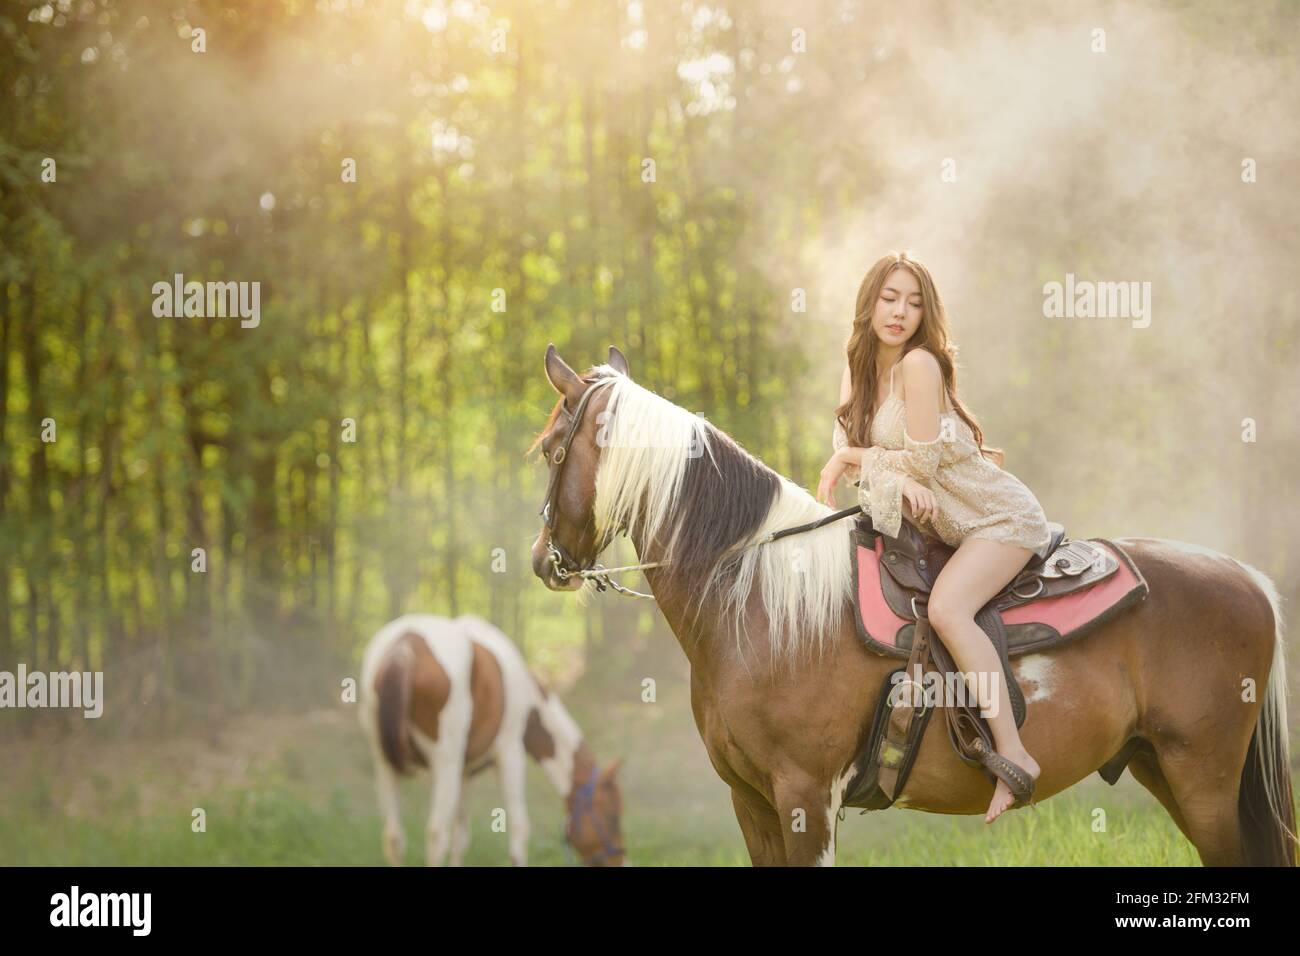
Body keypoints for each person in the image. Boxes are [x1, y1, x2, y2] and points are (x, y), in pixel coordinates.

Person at [817, 250, 1052, 823]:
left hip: (994, 517)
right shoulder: (856, 367)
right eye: (890, 298)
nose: (900, 312)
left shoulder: (919, 366)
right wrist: (885, 475)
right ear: (870, 301)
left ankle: (1015, 754)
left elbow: (916, 466)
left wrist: (862, 459)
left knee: (948, 609)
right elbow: (871, 472)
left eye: (914, 303)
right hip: (942, 521)